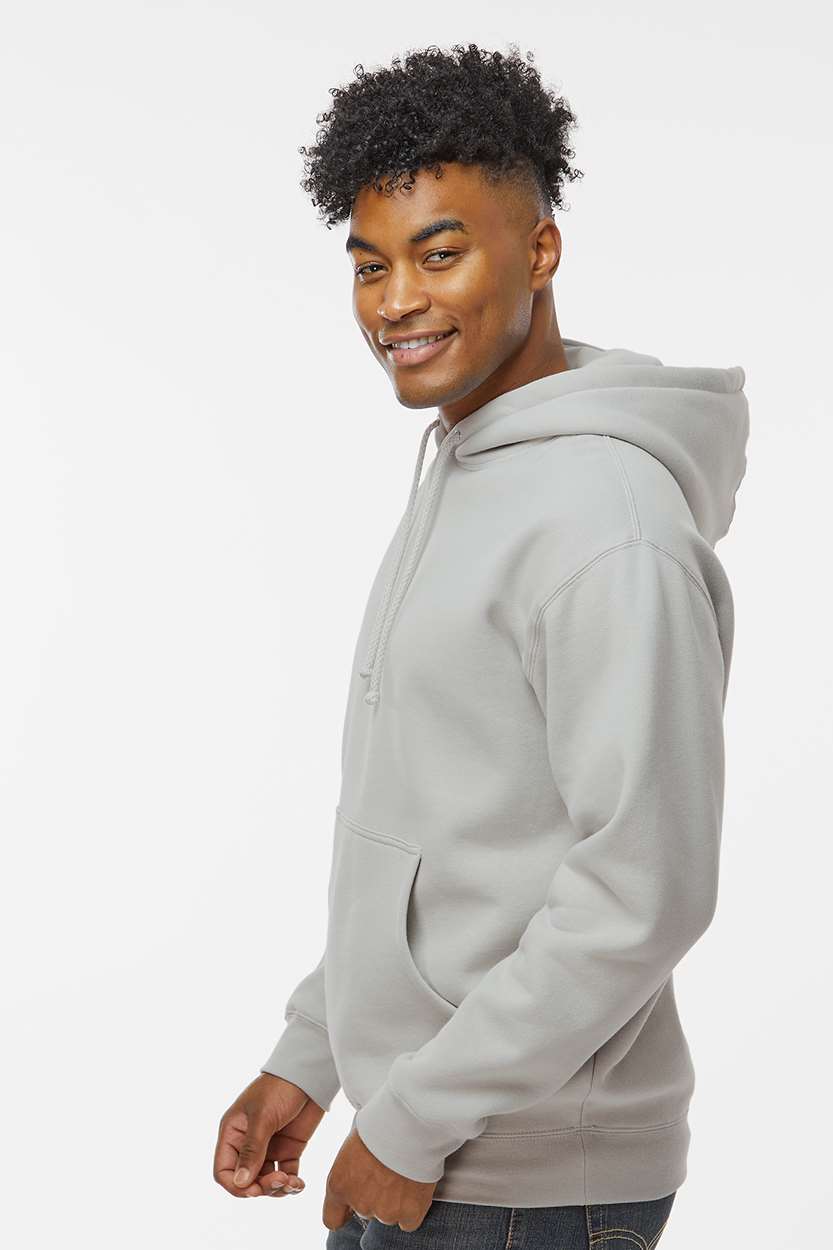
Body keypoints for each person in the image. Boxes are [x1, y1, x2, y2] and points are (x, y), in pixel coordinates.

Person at [212, 42, 749, 1249]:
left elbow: (643, 890)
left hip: (521, 1179)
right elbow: (439, 827)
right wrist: (315, 1049)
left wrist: (413, 1120)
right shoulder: (469, 468)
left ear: (540, 249)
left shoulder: (608, 527)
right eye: (370, 265)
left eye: (439, 253)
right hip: (426, 1132)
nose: (395, 300)